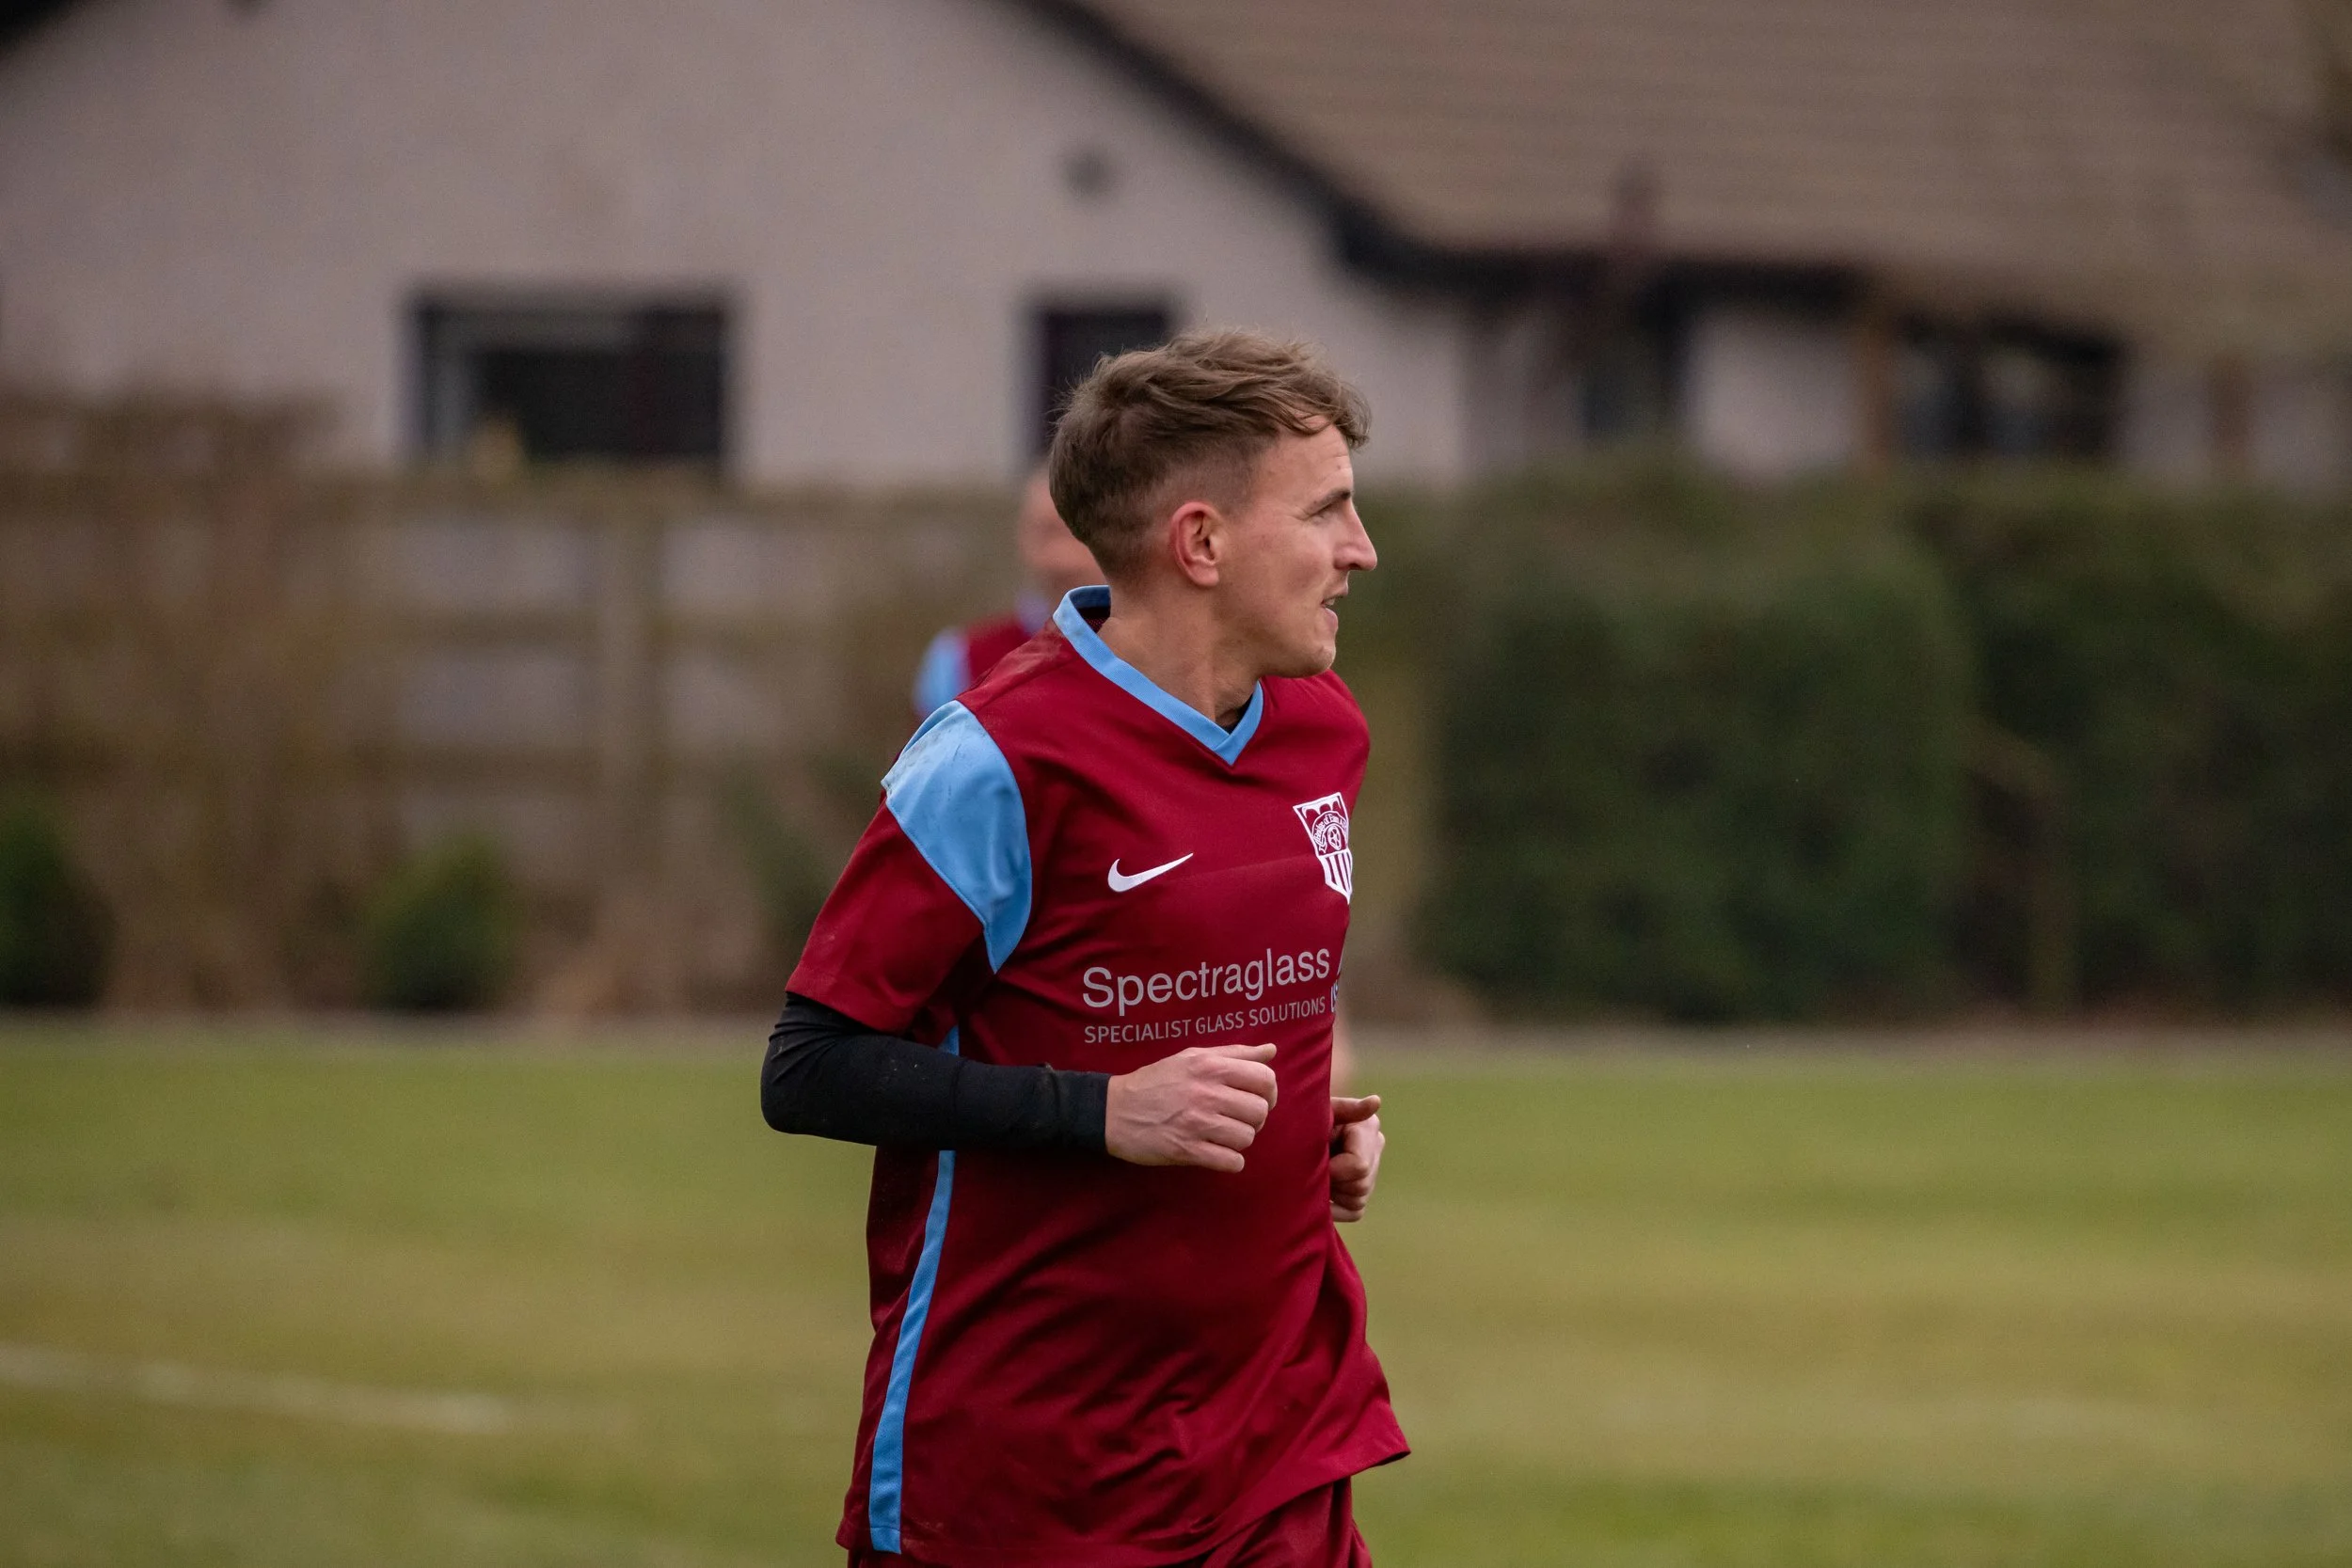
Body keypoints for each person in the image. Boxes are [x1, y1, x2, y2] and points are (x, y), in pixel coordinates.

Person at [762, 329, 1400, 1566]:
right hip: (1028, 1476)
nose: (1361, 548)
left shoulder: (1324, 729)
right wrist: (1104, 1112)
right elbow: (808, 1066)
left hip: (1277, 1443)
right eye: (1327, 510)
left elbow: (1212, 1005)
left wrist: (1306, 1133)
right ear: (1201, 543)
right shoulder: (995, 760)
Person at [911, 467, 1103, 721]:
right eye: (1046, 532)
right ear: (1021, 538)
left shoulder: (1143, 651)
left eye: (1077, 533)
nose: (1061, 558)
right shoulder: (961, 658)